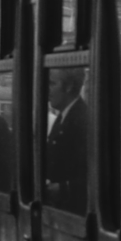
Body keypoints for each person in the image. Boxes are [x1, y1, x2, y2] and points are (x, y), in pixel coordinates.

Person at [44, 66, 87, 214]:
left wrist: (63, 189)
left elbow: (93, 177)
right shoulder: (63, 117)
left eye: (51, 83)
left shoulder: (82, 120)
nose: (47, 89)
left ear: (68, 87)